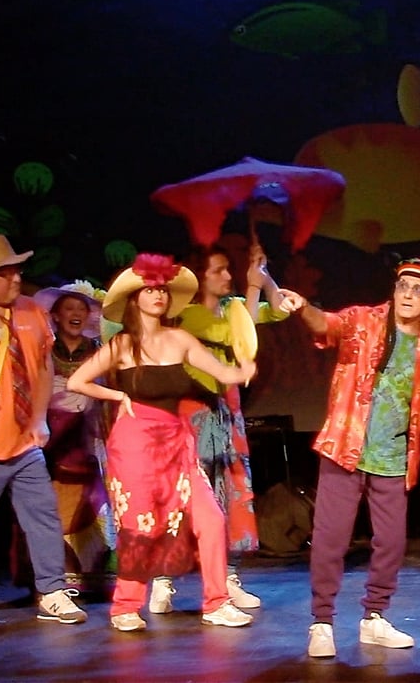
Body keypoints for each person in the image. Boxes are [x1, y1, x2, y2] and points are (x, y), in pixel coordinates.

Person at [67, 252, 257, 632]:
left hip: (176, 440)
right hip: (135, 442)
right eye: (149, 289)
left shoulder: (181, 338)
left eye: (162, 290)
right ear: (135, 299)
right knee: (141, 524)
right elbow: (77, 382)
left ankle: (216, 602)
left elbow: (221, 372)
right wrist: (119, 398)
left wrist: (243, 368)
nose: (158, 295)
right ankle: (125, 606)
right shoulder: (122, 346)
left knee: (211, 518)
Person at [280, 257, 420, 658]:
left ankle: (374, 617)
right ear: (393, 290)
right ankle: (321, 622)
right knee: (330, 539)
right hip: (345, 447)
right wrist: (304, 307)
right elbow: (326, 325)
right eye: (403, 286)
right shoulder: (363, 320)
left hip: (394, 457)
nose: (409, 295)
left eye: (418, 289)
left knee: (391, 541)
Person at [148, 243, 290, 615]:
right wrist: (252, 290)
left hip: (226, 411)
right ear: (200, 278)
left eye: (230, 269)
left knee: (227, 491)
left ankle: (227, 577)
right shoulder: (187, 315)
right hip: (191, 410)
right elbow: (231, 335)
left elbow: (276, 311)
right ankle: (164, 579)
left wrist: (263, 277)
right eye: (219, 270)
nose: (228, 276)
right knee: (184, 495)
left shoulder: (232, 308)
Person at [0, 234, 87, 626]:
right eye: (6, 273)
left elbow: (43, 366)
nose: (16, 279)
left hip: (25, 442)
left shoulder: (31, 312)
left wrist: (40, 418)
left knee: (43, 515)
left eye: (17, 271)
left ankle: (51, 591)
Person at [29, 280, 116, 594]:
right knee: (53, 505)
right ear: (56, 315)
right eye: (69, 308)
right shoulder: (44, 351)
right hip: (52, 438)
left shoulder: (99, 351)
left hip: (88, 438)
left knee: (95, 504)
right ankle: (61, 575)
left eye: (81, 308)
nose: (76, 314)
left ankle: (96, 577)